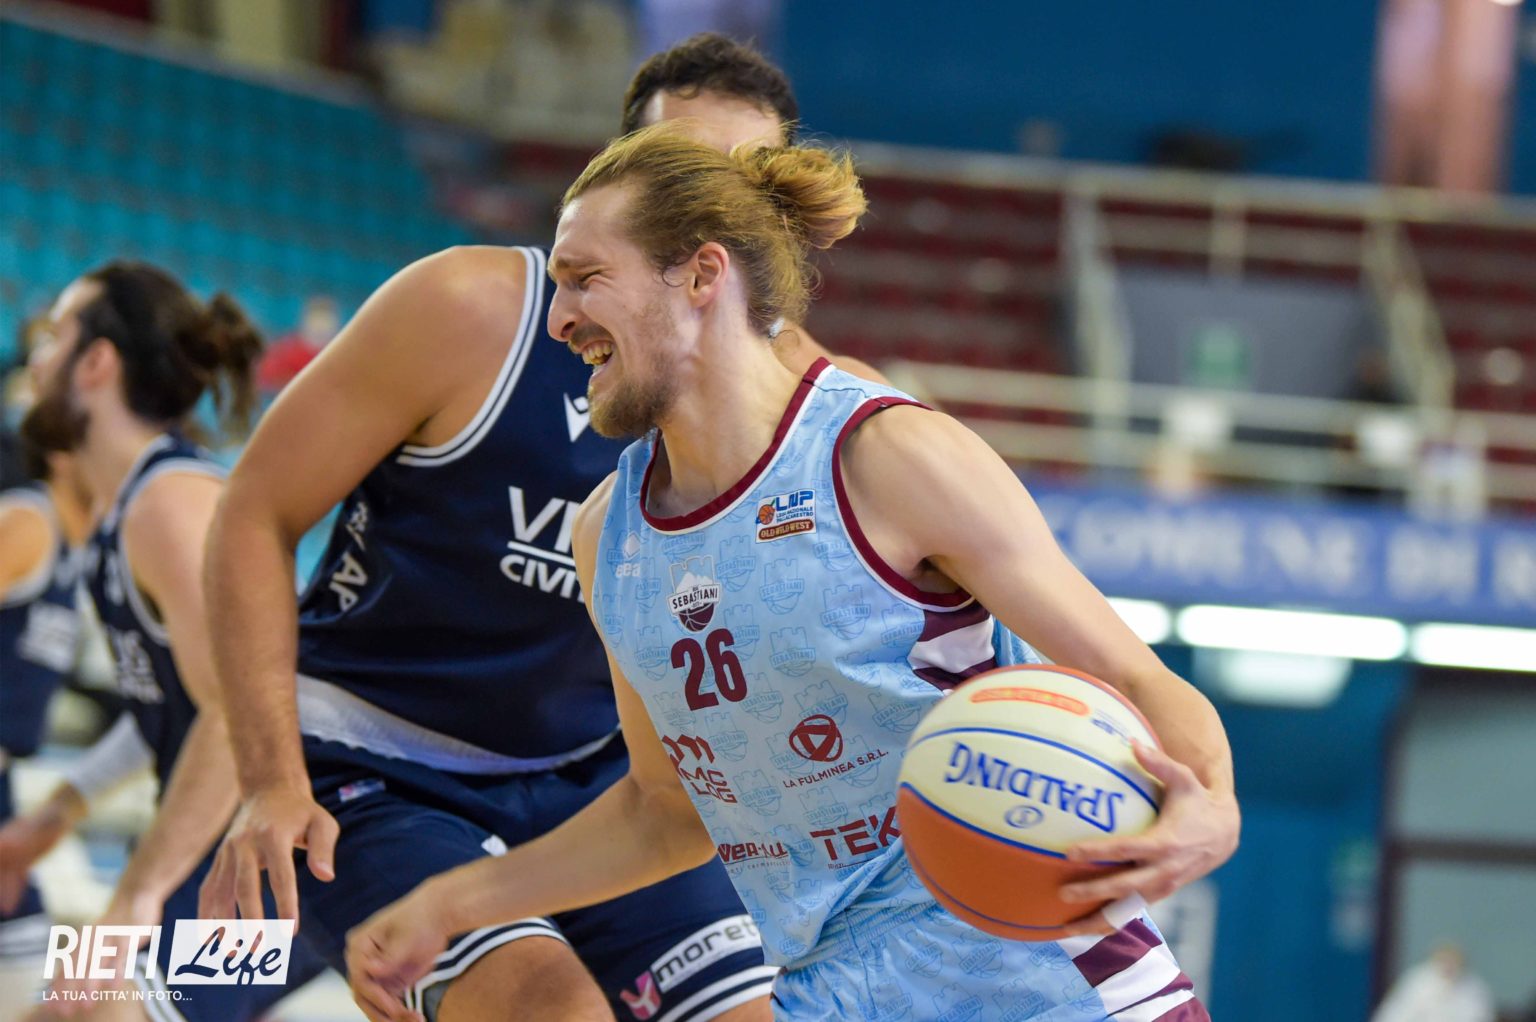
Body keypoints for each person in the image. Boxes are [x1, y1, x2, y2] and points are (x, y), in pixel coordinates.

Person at [343, 126, 1241, 1022]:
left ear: (702, 275)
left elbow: (1135, 680)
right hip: (836, 992)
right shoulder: (606, 536)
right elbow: (667, 813)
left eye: (585, 278)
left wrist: (1213, 802)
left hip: (1052, 986)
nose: (558, 318)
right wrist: (452, 904)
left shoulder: (886, 454)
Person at [198, 33, 881, 1022]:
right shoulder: (470, 309)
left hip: (599, 783)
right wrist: (269, 780)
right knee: (546, 1009)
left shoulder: (819, 404)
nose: (708, 210)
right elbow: (253, 512)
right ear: (616, 178)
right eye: (678, 171)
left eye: (740, 186)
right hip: (376, 761)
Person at [14, 261, 328, 1020]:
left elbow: (232, 714)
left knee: (96, 1011)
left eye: (54, 336)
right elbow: (176, 700)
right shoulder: (127, 509)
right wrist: (54, 816)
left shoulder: (171, 502)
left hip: (279, 868)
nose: (36, 360)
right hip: (211, 851)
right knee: (58, 1009)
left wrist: (134, 898)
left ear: (96, 362)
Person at [0, 449, 89, 1019]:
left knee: (39, 986)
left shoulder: (86, 549)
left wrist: (58, 811)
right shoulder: (28, 521)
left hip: (10, 793)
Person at [1371, 945, 1496, 1022]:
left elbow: (1480, 1016)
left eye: (1453, 963)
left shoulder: (1474, 989)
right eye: (1445, 962)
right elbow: (1396, 1015)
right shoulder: (1417, 982)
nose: (1449, 967)